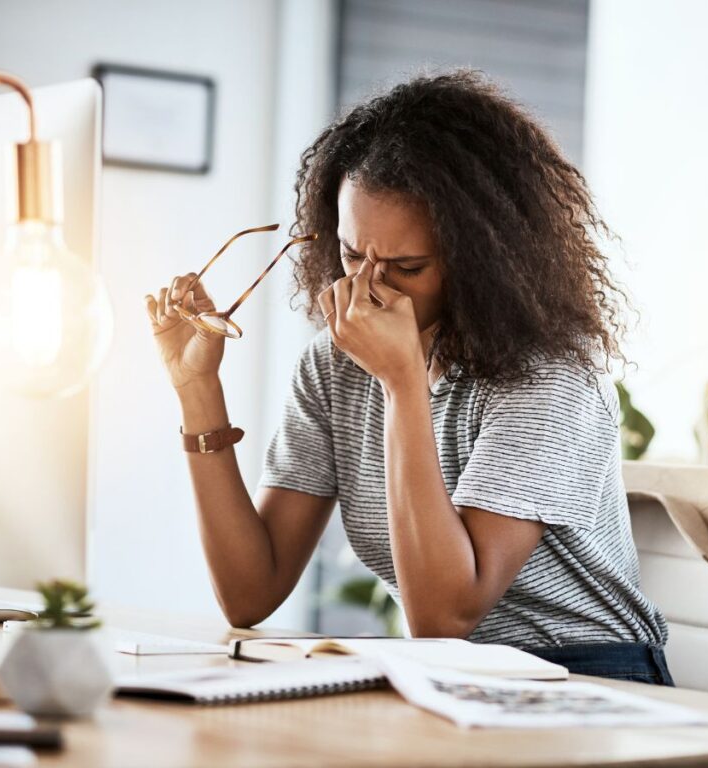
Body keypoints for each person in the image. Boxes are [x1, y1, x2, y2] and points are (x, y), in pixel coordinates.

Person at [144, 70, 672, 685]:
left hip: (591, 679)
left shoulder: (549, 377)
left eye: (408, 267)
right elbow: (249, 593)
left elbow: (446, 614)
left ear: (483, 259)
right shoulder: (333, 367)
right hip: (447, 677)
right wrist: (197, 388)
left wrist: (402, 384)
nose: (365, 289)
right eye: (348, 254)